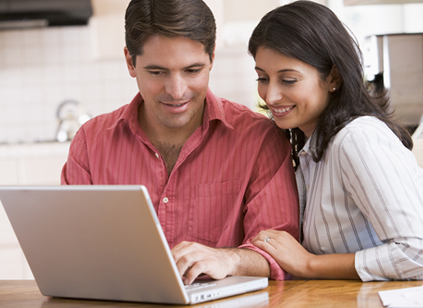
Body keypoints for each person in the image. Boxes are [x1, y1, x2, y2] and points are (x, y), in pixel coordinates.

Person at [61, 0, 299, 284]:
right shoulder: (90, 143)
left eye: (192, 70)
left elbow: (279, 255)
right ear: (130, 62)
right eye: (157, 72)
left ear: (212, 57)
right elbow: (72, 252)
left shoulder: (259, 138)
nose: (177, 91)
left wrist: (228, 258)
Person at [249, 0, 423, 281]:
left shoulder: (357, 138)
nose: (270, 97)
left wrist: (308, 264)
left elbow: (421, 255)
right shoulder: (309, 147)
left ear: (333, 76)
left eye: (289, 80)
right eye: (263, 78)